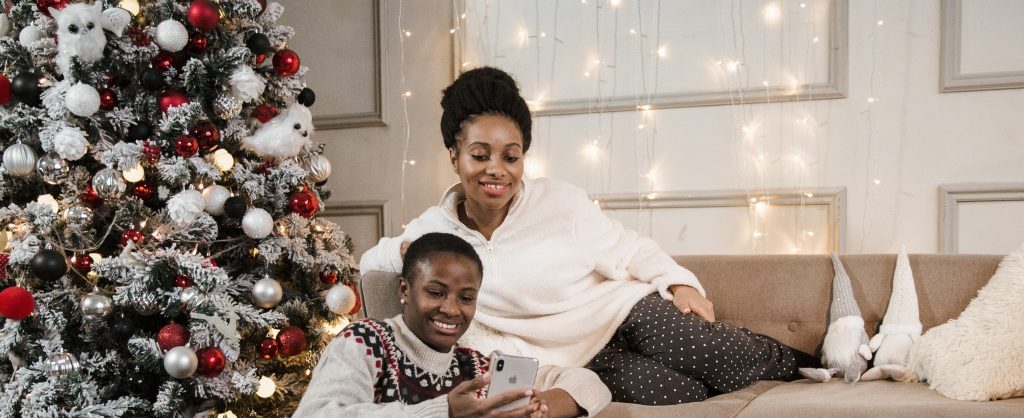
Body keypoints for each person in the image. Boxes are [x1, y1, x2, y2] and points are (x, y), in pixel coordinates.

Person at [360, 66, 818, 405]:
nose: (497, 170)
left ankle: (819, 362)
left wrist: (679, 283)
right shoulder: (434, 230)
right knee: (683, 393)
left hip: (622, 313)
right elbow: (370, 263)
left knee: (716, 354)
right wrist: (407, 251)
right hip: (578, 361)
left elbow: (633, 250)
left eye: (512, 156)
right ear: (454, 156)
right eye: (480, 155)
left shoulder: (561, 203)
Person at [295, 232, 610, 417]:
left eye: (466, 297)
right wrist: (444, 411)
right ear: (404, 289)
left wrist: (540, 408)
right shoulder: (364, 341)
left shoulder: (474, 367)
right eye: (436, 292)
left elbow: (591, 385)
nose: (451, 309)